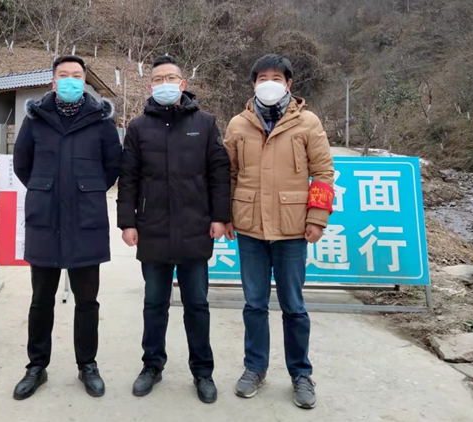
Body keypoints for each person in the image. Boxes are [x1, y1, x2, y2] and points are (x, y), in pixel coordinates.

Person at [117, 55, 231, 404]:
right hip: (152, 229)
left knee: (197, 304)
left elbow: (219, 173)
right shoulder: (139, 127)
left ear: (183, 84)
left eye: (171, 78)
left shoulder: (205, 123)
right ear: (151, 85)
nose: (165, 84)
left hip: (195, 227)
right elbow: (129, 178)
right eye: (158, 79)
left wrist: (219, 216)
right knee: (154, 303)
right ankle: (152, 365)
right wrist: (127, 221)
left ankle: (203, 371)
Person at [223, 54, 334, 409]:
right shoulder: (238, 124)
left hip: (292, 229)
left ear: (288, 84)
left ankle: (301, 373)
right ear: (253, 84)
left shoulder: (308, 123)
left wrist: (317, 218)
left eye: (276, 77)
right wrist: (225, 215)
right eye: (262, 78)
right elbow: (227, 174)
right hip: (250, 228)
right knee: (254, 304)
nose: (268, 83)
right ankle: (254, 368)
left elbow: (323, 173)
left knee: (294, 306)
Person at [12, 55, 122, 400]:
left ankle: (87, 365)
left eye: (77, 75)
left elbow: (112, 166)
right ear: (53, 81)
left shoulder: (100, 120)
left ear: (84, 81)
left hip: (86, 221)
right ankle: (36, 366)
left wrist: (86, 190)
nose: (71, 79)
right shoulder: (36, 118)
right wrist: (45, 188)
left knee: (87, 301)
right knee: (41, 300)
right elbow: (22, 164)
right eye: (64, 74)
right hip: (45, 219)